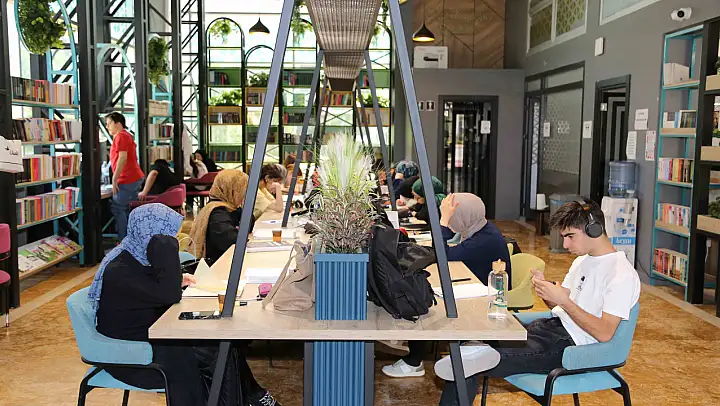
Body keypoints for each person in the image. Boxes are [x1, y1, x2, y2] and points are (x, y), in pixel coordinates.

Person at [435, 200, 641, 406]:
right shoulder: (582, 261)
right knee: (473, 341)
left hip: (571, 346)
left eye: (570, 236)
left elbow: (604, 333)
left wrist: (564, 301)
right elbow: (561, 307)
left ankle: (478, 356)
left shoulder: (621, 274)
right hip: (549, 327)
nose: (566, 245)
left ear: (594, 229)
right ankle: (477, 353)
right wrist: (548, 294)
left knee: (465, 365)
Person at [89, 203, 280, 406]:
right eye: (168, 236)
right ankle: (249, 398)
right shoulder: (120, 270)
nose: (173, 239)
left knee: (222, 345)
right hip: (132, 355)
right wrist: (165, 247)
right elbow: (168, 295)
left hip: (154, 335)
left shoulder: (136, 257)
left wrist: (176, 279)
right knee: (217, 350)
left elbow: (153, 289)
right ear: (150, 235)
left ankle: (251, 397)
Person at [382, 193, 512, 379]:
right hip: (474, 285)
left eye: (454, 216)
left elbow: (443, 256)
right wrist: (445, 223)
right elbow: (447, 240)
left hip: (485, 298)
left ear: (464, 216)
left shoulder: (485, 239)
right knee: (426, 293)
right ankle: (414, 357)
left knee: (426, 302)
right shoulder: (478, 226)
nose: (451, 219)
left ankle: (414, 361)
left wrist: (443, 221)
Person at [187, 169, 255, 265]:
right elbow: (233, 240)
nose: (244, 194)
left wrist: (245, 205)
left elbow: (248, 225)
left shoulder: (229, 207)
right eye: (242, 190)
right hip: (216, 266)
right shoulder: (217, 213)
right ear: (232, 190)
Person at [106, 112, 145, 241]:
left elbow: (122, 158)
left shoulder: (121, 136)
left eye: (109, 123)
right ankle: (131, 240)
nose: (107, 126)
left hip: (127, 178)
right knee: (127, 210)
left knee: (118, 208)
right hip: (132, 177)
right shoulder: (125, 135)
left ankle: (124, 241)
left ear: (117, 123)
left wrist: (115, 178)